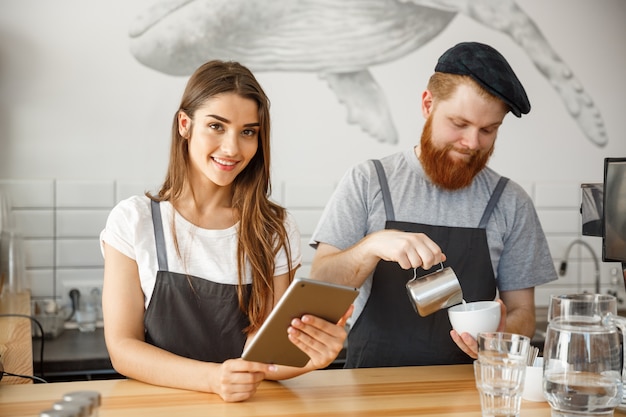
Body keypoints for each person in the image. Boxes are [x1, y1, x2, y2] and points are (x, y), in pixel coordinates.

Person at [100, 60, 352, 402]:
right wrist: (213, 378)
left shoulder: (274, 230)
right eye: (217, 126)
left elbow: (267, 357)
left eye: (248, 131)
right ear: (185, 125)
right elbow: (123, 349)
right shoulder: (134, 221)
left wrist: (311, 358)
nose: (233, 148)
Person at [309, 42, 558, 368]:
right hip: (370, 389)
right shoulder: (368, 181)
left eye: (488, 130)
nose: (472, 143)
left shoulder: (511, 202)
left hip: (468, 392)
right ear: (428, 104)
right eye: (459, 123)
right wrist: (372, 246)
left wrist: (502, 335)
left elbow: (523, 313)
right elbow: (320, 283)